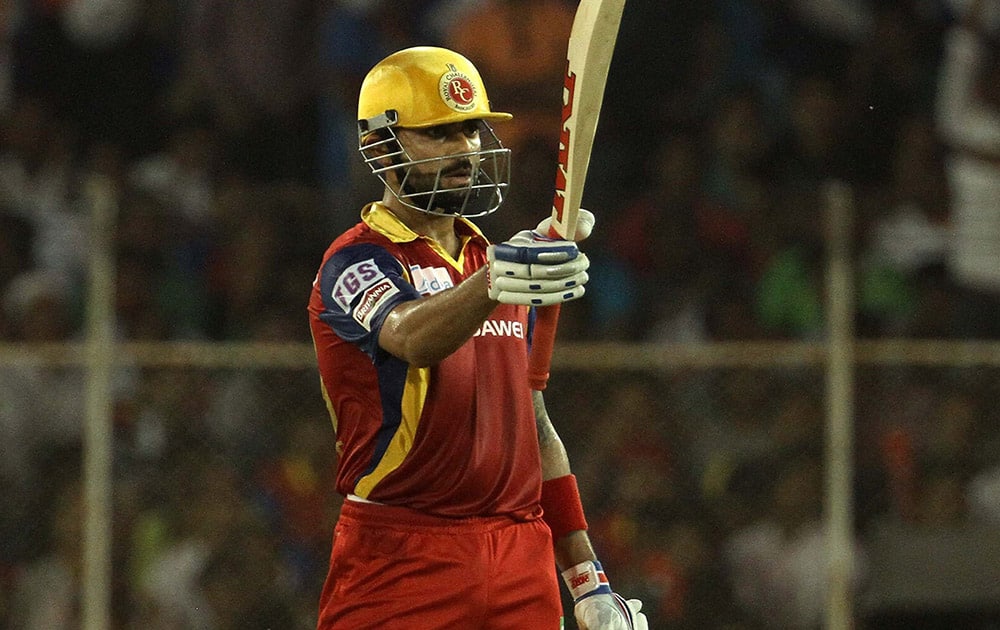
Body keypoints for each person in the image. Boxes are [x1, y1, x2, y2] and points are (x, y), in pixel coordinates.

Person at [307, 46, 647, 629]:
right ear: (382, 147)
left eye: (470, 130)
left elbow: (532, 423)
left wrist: (587, 577)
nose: (466, 149)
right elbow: (412, 336)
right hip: (401, 555)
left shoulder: (493, 261)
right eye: (440, 134)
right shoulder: (355, 260)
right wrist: (498, 278)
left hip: (521, 551)